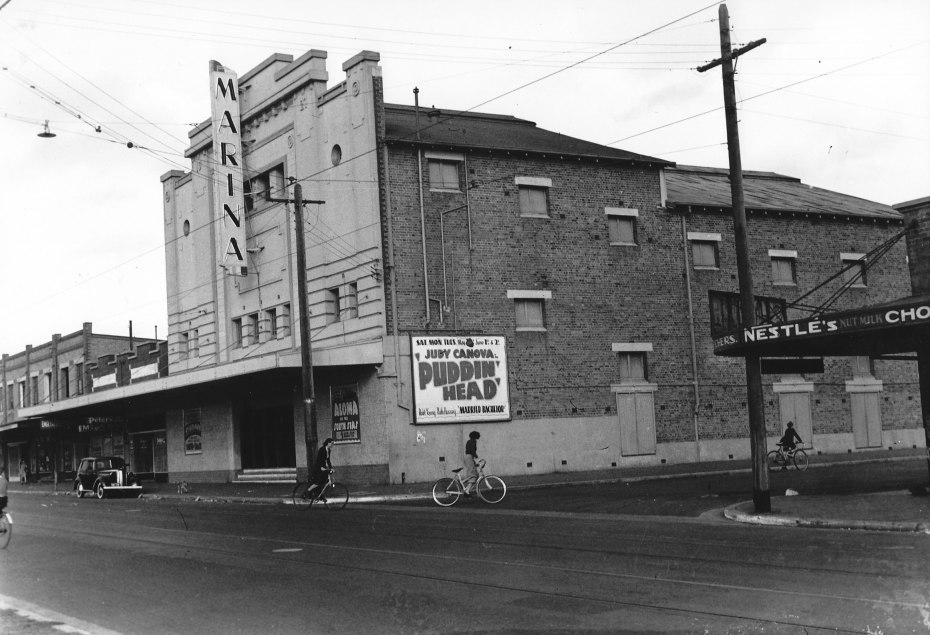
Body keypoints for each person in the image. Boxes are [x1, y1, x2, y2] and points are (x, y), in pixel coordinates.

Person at [463, 430, 480, 495]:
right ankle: (467, 491)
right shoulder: (473, 441)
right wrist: (477, 457)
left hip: (467, 457)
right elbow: (472, 450)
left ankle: (467, 489)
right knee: (473, 474)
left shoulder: (468, 441)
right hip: (470, 457)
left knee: (473, 472)